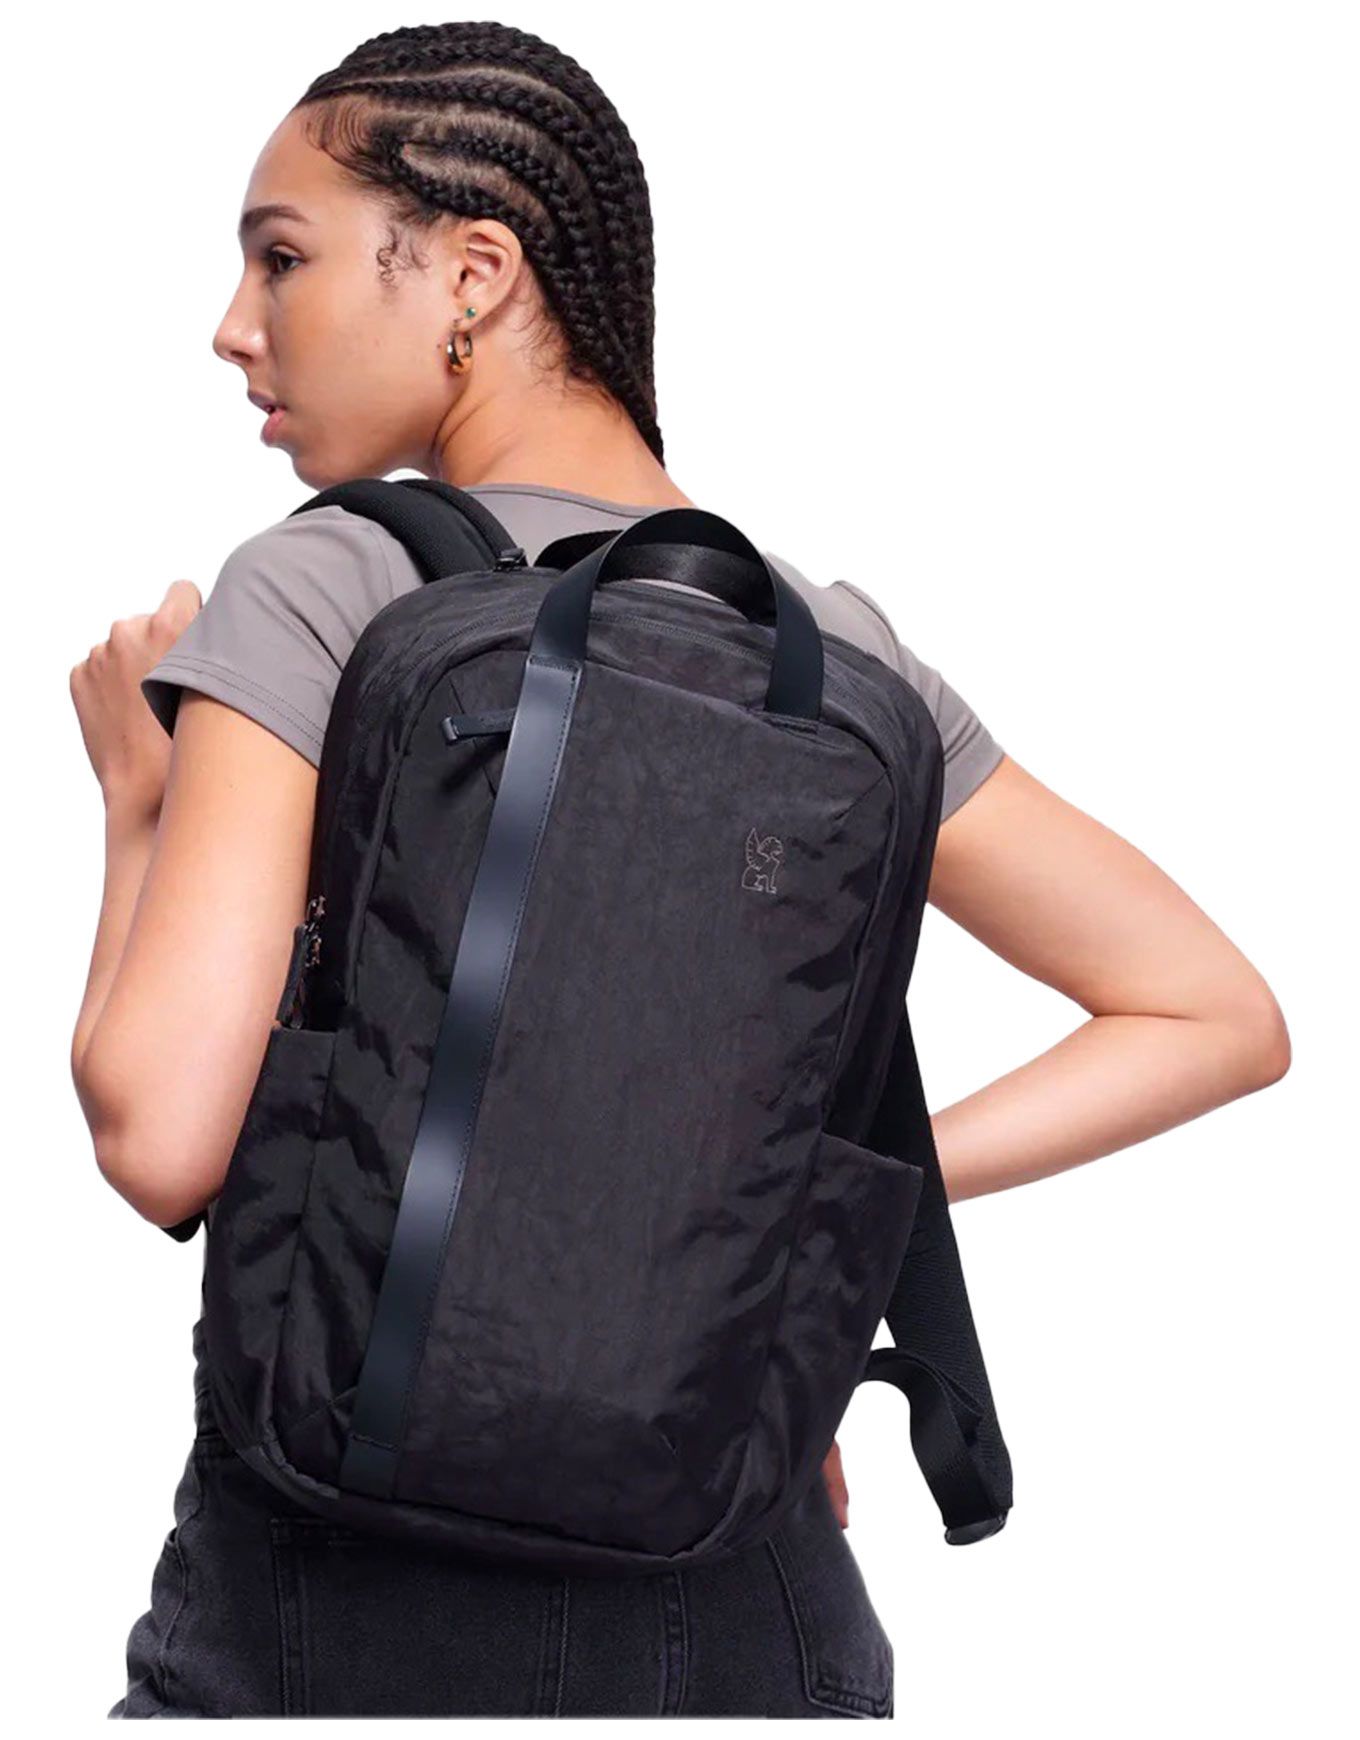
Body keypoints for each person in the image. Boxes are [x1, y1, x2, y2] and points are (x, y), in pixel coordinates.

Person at [69, 20, 1291, 1721]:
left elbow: (159, 1137)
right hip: (744, 1607)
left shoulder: (329, 585)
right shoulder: (832, 652)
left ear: (473, 274)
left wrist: (138, 805)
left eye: (283, 257)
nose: (233, 324)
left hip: (339, 1607)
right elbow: (1213, 1012)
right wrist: (763, 1213)